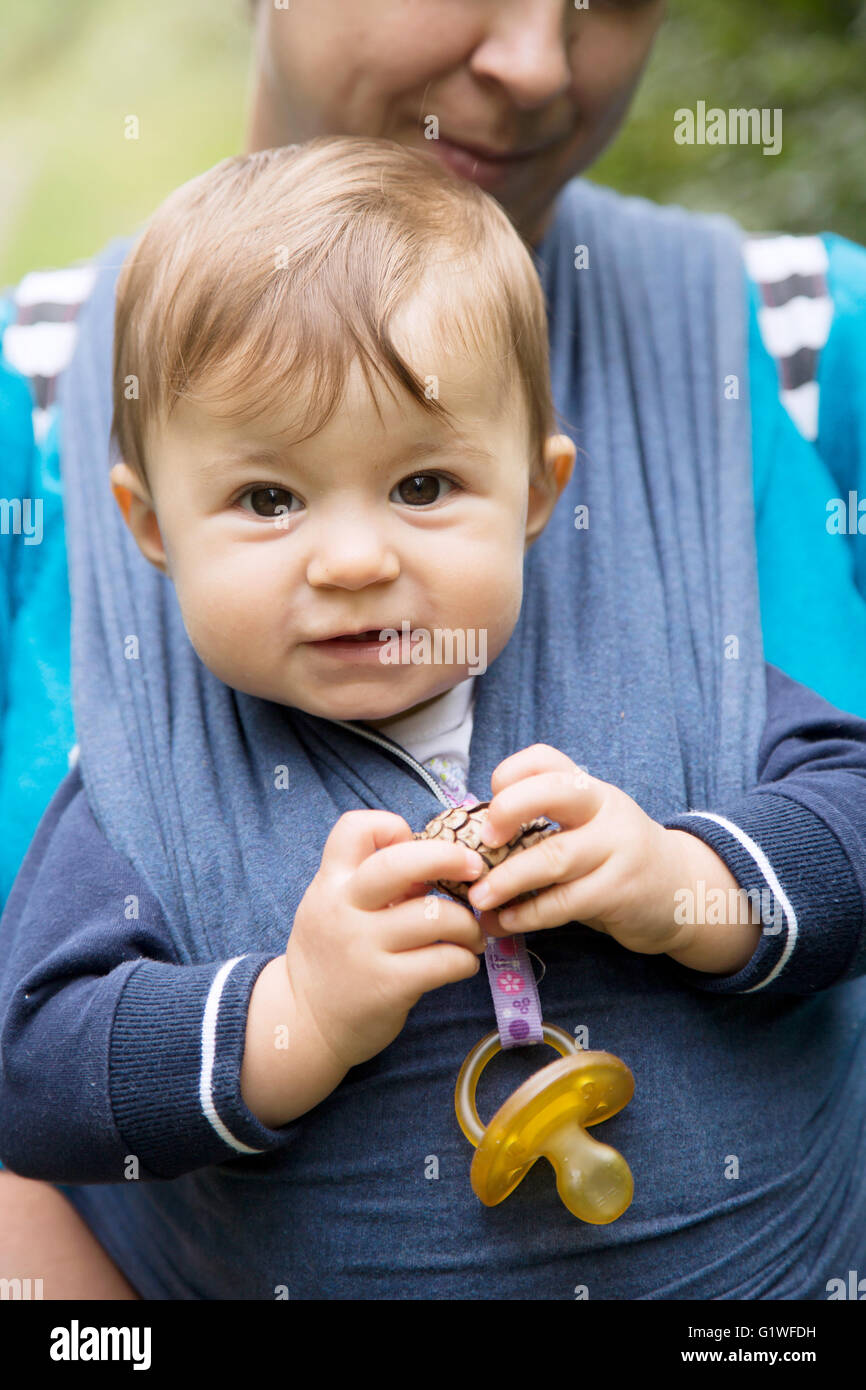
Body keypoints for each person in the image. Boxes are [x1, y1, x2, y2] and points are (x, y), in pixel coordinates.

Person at [0, 0, 864, 1297]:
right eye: (269, 501)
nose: (351, 560)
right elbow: (40, 1066)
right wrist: (286, 1016)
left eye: (420, 488)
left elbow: (847, 819)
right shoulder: (124, 773)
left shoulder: (803, 353)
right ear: (147, 524)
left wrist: (685, 881)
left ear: (536, 489)